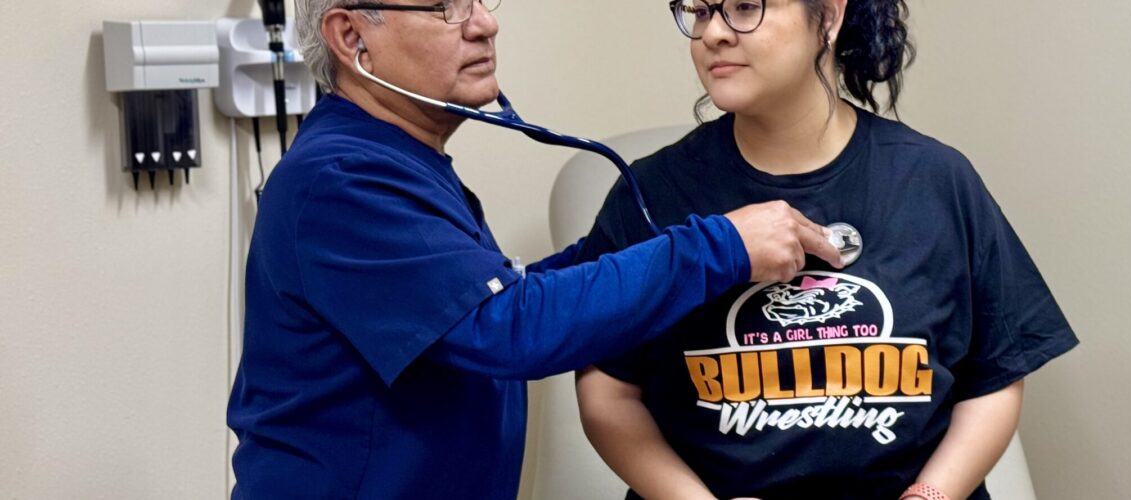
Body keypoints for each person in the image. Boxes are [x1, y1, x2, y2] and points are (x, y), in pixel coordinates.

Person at [225, 0, 843, 498]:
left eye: (481, 1)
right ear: (352, 37)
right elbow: (504, 327)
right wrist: (721, 247)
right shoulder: (344, 181)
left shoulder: (404, 164)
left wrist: (628, 240)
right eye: (446, 7)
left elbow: (489, 301)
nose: (485, 23)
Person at [574, 1, 1079, 499]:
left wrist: (931, 495)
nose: (713, 34)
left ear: (830, 16)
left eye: (745, 6)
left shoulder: (936, 181)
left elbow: (994, 374)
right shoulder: (649, 195)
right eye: (701, 11)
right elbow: (608, 393)